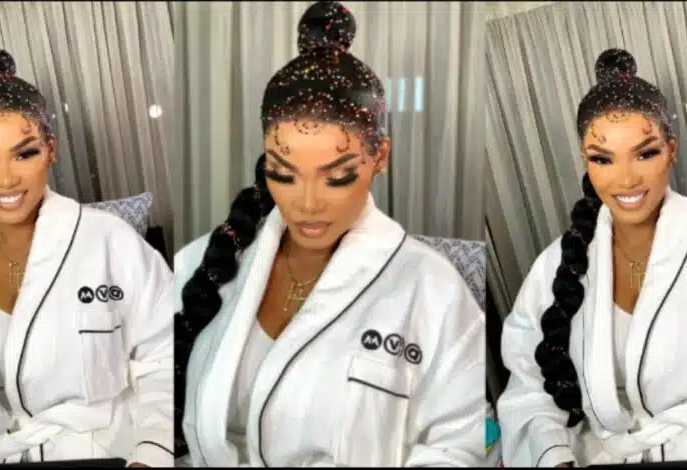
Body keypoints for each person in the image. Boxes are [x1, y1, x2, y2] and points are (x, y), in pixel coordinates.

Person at [173, 1, 485, 467]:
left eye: (337, 176)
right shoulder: (199, 263)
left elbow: (458, 445)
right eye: (283, 173)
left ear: (380, 157)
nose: (307, 203)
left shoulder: (432, 289)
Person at [0, 49, 174, 467]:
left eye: (24, 153)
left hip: (104, 452)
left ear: (50, 150)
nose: (5, 178)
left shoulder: (112, 243)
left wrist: (150, 453)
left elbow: (164, 357)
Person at [497, 48, 687, 467]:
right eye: (603, 159)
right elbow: (528, 385)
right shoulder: (555, 266)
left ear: (672, 149)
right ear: (585, 162)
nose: (626, 179)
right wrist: (554, 454)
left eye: (645, 153)